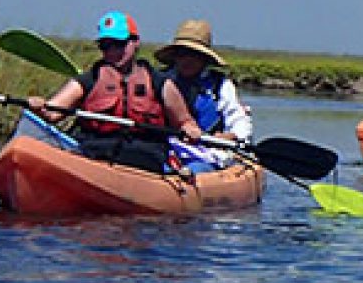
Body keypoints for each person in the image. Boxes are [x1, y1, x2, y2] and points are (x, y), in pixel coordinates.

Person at [29, 10, 199, 171]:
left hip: (145, 161)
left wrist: (190, 129)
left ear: (135, 42)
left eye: (119, 44)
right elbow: (52, 113)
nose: (112, 51)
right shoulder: (90, 79)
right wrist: (39, 107)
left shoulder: (160, 83)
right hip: (94, 156)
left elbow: (185, 122)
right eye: (105, 45)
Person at [155, 18, 254, 145]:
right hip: (163, 148)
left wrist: (230, 136)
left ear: (204, 58)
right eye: (182, 54)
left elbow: (239, 120)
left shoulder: (220, 85)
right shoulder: (159, 80)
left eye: (194, 55)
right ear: (174, 56)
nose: (187, 60)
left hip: (207, 151)